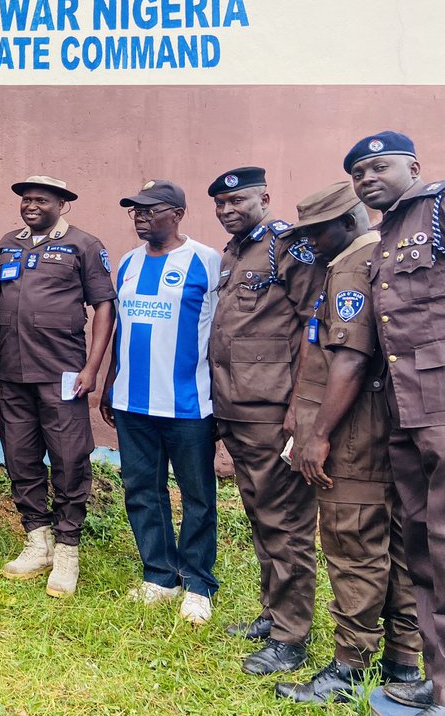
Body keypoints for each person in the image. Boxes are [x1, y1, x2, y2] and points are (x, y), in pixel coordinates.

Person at [272, 182, 421, 703]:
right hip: (375, 430)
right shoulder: (358, 260)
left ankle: (351, 666)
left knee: (352, 544)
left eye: (319, 231)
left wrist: (319, 436)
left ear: (352, 221)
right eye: (305, 232)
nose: (310, 242)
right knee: (395, 545)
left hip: (351, 436)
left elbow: (351, 360)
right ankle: (404, 661)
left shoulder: (355, 267)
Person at [205, 166, 323, 674]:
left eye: (237, 201)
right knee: (260, 516)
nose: (227, 210)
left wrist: (300, 406)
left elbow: (312, 327)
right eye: (220, 204)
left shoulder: (286, 247)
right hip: (236, 407)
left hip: (274, 411)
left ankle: (292, 637)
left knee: (287, 523)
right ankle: (273, 614)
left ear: (265, 198)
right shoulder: (234, 252)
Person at [345, 131, 445, 714]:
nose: (368, 179)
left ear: (412, 164)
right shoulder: (384, 238)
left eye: (379, 167)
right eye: (359, 174)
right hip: (406, 413)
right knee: (425, 550)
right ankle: (436, 679)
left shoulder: (438, 208)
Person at [99, 180, 221, 625]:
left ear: (178, 213)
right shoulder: (128, 263)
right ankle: (159, 575)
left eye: (151, 209)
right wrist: (113, 382)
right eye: (135, 209)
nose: (140, 215)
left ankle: (198, 583)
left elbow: (221, 332)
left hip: (189, 403)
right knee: (142, 490)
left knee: (197, 495)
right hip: (134, 402)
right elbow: (121, 329)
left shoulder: (206, 261)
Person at [0, 175, 116, 596]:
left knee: (68, 459)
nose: (30, 206)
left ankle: (67, 548)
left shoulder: (85, 245)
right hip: (12, 373)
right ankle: (37, 539)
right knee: (20, 457)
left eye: (40, 200)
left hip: (63, 373)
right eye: (25, 200)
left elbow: (103, 307)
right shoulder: (8, 244)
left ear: (62, 204)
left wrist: (92, 367)